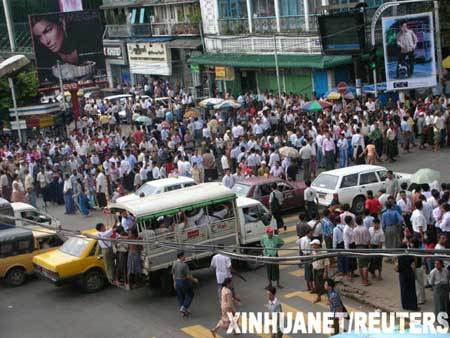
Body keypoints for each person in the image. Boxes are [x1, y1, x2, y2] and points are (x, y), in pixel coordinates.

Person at [172, 251, 198, 316]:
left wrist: (174, 282)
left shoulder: (174, 263)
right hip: (183, 282)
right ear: (181, 257)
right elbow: (188, 276)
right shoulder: (184, 265)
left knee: (181, 296)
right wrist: (194, 280)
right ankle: (183, 308)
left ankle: (184, 311)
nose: (185, 257)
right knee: (190, 294)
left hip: (177, 281)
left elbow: (173, 273)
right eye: (184, 256)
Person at [396, 243, 418, 311]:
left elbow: (396, 268)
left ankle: (405, 305)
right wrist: (413, 273)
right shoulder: (410, 256)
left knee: (403, 290)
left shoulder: (398, 257)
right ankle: (413, 306)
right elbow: (414, 265)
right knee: (411, 290)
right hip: (409, 274)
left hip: (402, 275)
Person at [353, 216, 371, 286]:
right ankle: (365, 281)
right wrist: (369, 248)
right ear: (362, 221)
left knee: (360, 265)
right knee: (365, 265)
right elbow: (368, 240)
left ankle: (363, 279)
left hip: (357, 247)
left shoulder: (354, 230)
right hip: (364, 247)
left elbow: (354, 239)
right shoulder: (365, 229)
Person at [311, 239, 329, 303]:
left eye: (313, 245)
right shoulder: (313, 252)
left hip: (321, 270)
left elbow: (326, 263)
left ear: (317, 245)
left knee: (325, 285)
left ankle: (329, 299)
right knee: (317, 285)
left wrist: (325, 272)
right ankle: (318, 297)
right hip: (315, 270)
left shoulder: (324, 252)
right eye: (312, 245)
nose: (312, 246)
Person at [297, 228, 314, 292]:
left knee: (308, 272)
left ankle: (309, 287)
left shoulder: (303, 238)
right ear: (307, 233)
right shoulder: (307, 240)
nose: (311, 234)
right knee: (309, 273)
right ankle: (311, 288)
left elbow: (297, 242)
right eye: (310, 233)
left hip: (306, 255)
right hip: (307, 256)